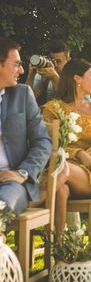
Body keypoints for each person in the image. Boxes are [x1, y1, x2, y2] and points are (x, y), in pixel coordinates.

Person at [41, 59, 91, 237]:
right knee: (61, 190)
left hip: (89, 172)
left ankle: (33, 201)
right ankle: (58, 249)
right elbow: (48, 143)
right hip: (59, 170)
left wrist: (87, 158)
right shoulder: (53, 108)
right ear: (77, 79)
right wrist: (77, 153)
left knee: (62, 168)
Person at [0, 37, 51, 217]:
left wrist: (23, 173)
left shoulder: (23, 95)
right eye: (16, 64)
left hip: (12, 185)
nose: (21, 70)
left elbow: (43, 142)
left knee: (1, 206)